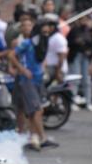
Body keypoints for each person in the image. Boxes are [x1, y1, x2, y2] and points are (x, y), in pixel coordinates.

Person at [8, 18, 58, 151]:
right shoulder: (27, 43)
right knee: (35, 110)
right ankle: (43, 138)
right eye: (45, 28)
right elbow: (12, 55)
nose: (47, 31)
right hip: (27, 81)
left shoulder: (42, 42)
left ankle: (33, 137)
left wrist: (43, 68)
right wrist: (22, 70)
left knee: (34, 111)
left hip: (38, 79)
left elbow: (42, 59)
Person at [67, 16, 92, 110]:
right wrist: (76, 42)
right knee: (75, 79)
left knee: (87, 80)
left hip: (85, 57)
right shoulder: (74, 30)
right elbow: (69, 42)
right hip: (76, 55)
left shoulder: (89, 30)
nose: (84, 21)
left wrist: (89, 51)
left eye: (86, 19)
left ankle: (88, 101)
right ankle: (72, 100)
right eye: (82, 19)